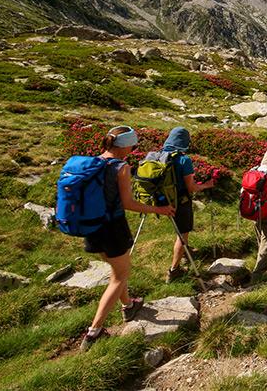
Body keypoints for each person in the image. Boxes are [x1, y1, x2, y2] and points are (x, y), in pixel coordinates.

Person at [81, 126, 175, 351]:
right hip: (112, 227)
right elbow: (128, 203)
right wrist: (159, 210)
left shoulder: (92, 162)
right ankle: (94, 332)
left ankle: (129, 305)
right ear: (124, 146)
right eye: (132, 146)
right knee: (120, 276)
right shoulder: (121, 167)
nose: (133, 150)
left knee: (117, 272)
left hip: (91, 226)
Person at [162, 127, 216, 282]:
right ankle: (174, 270)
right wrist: (206, 185)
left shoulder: (157, 156)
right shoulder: (184, 160)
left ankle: (184, 252)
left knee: (179, 231)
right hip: (180, 202)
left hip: (160, 201)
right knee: (182, 234)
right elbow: (191, 187)